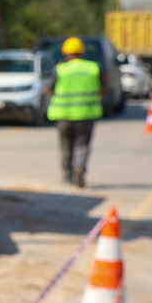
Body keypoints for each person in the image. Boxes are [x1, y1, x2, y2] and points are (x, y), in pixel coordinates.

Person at [48, 34, 103, 188]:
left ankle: (67, 173)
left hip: (64, 116)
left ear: (65, 53)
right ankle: (80, 167)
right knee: (83, 144)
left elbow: (49, 89)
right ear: (82, 52)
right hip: (86, 115)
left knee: (66, 145)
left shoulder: (61, 70)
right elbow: (101, 90)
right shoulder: (92, 68)